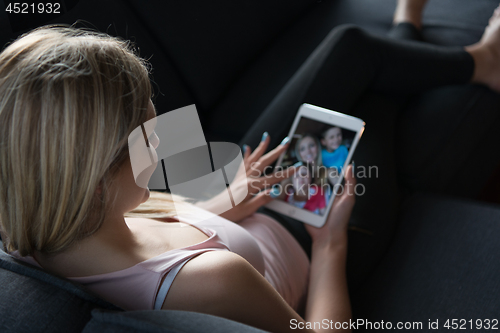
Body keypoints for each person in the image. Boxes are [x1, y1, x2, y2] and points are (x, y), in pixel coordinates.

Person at [2, 0, 500, 332]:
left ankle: (450, 49)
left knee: (348, 50)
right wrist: (331, 244)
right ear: (95, 178)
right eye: (151, 137)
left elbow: (146, 235)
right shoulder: (212, 279)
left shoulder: (43, 216)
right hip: (315, 238)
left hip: (249, 203)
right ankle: (440, 42)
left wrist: (226, 202)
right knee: (371, 106)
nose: (163, 140)